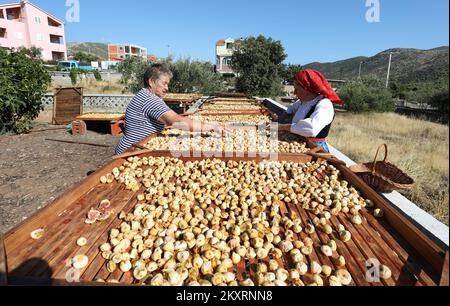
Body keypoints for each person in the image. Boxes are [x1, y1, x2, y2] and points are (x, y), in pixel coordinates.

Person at [115, 63, 223, 155]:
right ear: (151, 82)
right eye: (164, 83)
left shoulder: (147, 95)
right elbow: (175, 120)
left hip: (137, 147)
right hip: (130, 152)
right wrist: (212, 127)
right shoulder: (149, 100)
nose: (167, 88)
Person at [277, 69, 342, 153]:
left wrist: (283, 127)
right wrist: (278, 121)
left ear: (306, 89)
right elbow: (290, 109)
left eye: (297, 89)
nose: (294, 93)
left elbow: (311, 129)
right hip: (298, 144)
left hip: (315, 149)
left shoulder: (324, 105)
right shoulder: (302, 102)